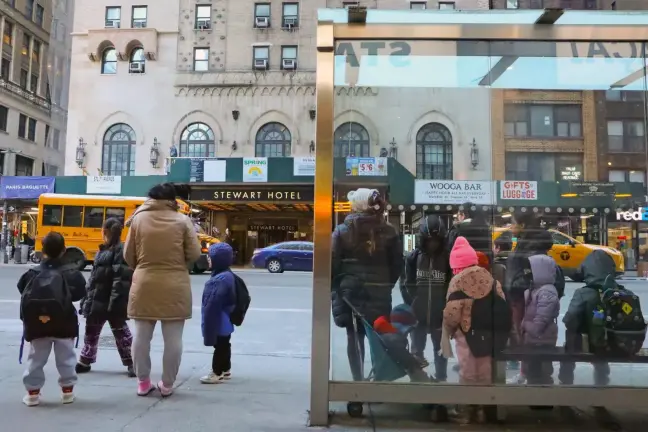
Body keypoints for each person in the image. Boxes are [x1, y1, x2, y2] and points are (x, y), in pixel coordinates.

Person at [124, 183, 202, 397]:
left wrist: (142, 267)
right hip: (175, 284)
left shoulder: (138, 219)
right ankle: (167, 385)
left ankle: (142, 382)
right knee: (173, 339)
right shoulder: (182, 221)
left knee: (140, 337)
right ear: (172, 199)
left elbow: (127, 255)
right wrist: (179, 264)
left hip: (144, 283)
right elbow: (195, 253)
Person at [331, 188, 403, 381]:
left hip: (350, 293)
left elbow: (332, 264)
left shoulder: (342, 231)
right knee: (379, 336)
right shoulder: (389, 231)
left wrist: (337, 287)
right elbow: (397, 264)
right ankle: (380, 379)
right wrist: (386, 284)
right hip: (378, 291)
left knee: (353, 336)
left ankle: (357, 380)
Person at [17, 232, 86, 406]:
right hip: (64, 323)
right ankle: (67, 392)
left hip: (37, 324)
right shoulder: (71, 272)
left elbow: (21, 288)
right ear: (64, 250)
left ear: (43, 249)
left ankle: (32, 393)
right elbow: (79, 293)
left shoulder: (32, 272)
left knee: (36, 358)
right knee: (66, 358)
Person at [443, 236, 507, 423]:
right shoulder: (489, 278)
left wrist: (449, 330)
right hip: (487, 332)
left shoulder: (457, 282)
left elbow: (452, 311)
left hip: (466, 334)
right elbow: (502, 302)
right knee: (485, 369)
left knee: (468, 369)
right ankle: (486, 407)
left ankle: (470, 408)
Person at [504, 211, 564, 375]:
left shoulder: (531, 246)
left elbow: (531, 273)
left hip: (525, 297)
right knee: (526, 336)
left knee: (529, 336)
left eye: (513, 222)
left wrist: (518, 290)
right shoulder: (527, 242)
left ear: (523, 226)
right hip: (521, 296)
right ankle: (529, 372)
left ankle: (532, 374)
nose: (510, 226)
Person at [76, 218, 135, 377]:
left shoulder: (114, 251)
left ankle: (86, 360)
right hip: (101, 298)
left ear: (105, 231)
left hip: (103, 299)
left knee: (103, 331)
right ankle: (130, 362)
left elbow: (115, 279)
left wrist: (111, 302)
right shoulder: (111, 250)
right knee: (113, 332)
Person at [401, 215, 451, 381]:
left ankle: (441, 380)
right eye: (429, 240)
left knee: (441, 350)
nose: (433, 244)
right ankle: (418, 381)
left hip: (440, 313)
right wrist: (413, 303)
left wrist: (447, 306)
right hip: (418, 314)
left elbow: (451, 284)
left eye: (436, 240)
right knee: (416, 351)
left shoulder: (448, 258)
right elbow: (406, 283)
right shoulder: (413, 257)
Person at [558, 250, 613, 386]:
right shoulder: (618, 292)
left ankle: (566, 384)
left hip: (586, 344)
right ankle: (601, 386)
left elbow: (570, 319)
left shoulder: (583, 293)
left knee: (569, 345)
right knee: (601, 352)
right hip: (613, 344)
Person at [200, 243, 236, 384]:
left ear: (217, 260)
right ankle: (226, 369)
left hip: (219, 320)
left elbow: (211, 307)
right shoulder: (228, 275)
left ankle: (217, 372)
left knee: (220, 346)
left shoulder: (217, 280)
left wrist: (208, 331)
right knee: (225, 344)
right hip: (227, 319)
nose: (208, 260)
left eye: (210, 257)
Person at [521, 255, 560, 385]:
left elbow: (538, 326)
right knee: (533, 372)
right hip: (535, 341)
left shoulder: (547, 293)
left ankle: (542, 403)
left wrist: (525, 325)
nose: (528, 273)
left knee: (540, 374)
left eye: (531, 270)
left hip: (542, 341)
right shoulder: (536, 290)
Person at [373, 304, 429, 382]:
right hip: (394, 363)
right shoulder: (392, 338)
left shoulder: (387, 333)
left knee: (412, 366)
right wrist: (415, 362)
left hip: (395, 359)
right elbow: (403, 356)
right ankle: (424, 382)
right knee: (413, 368)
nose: (407, 333)